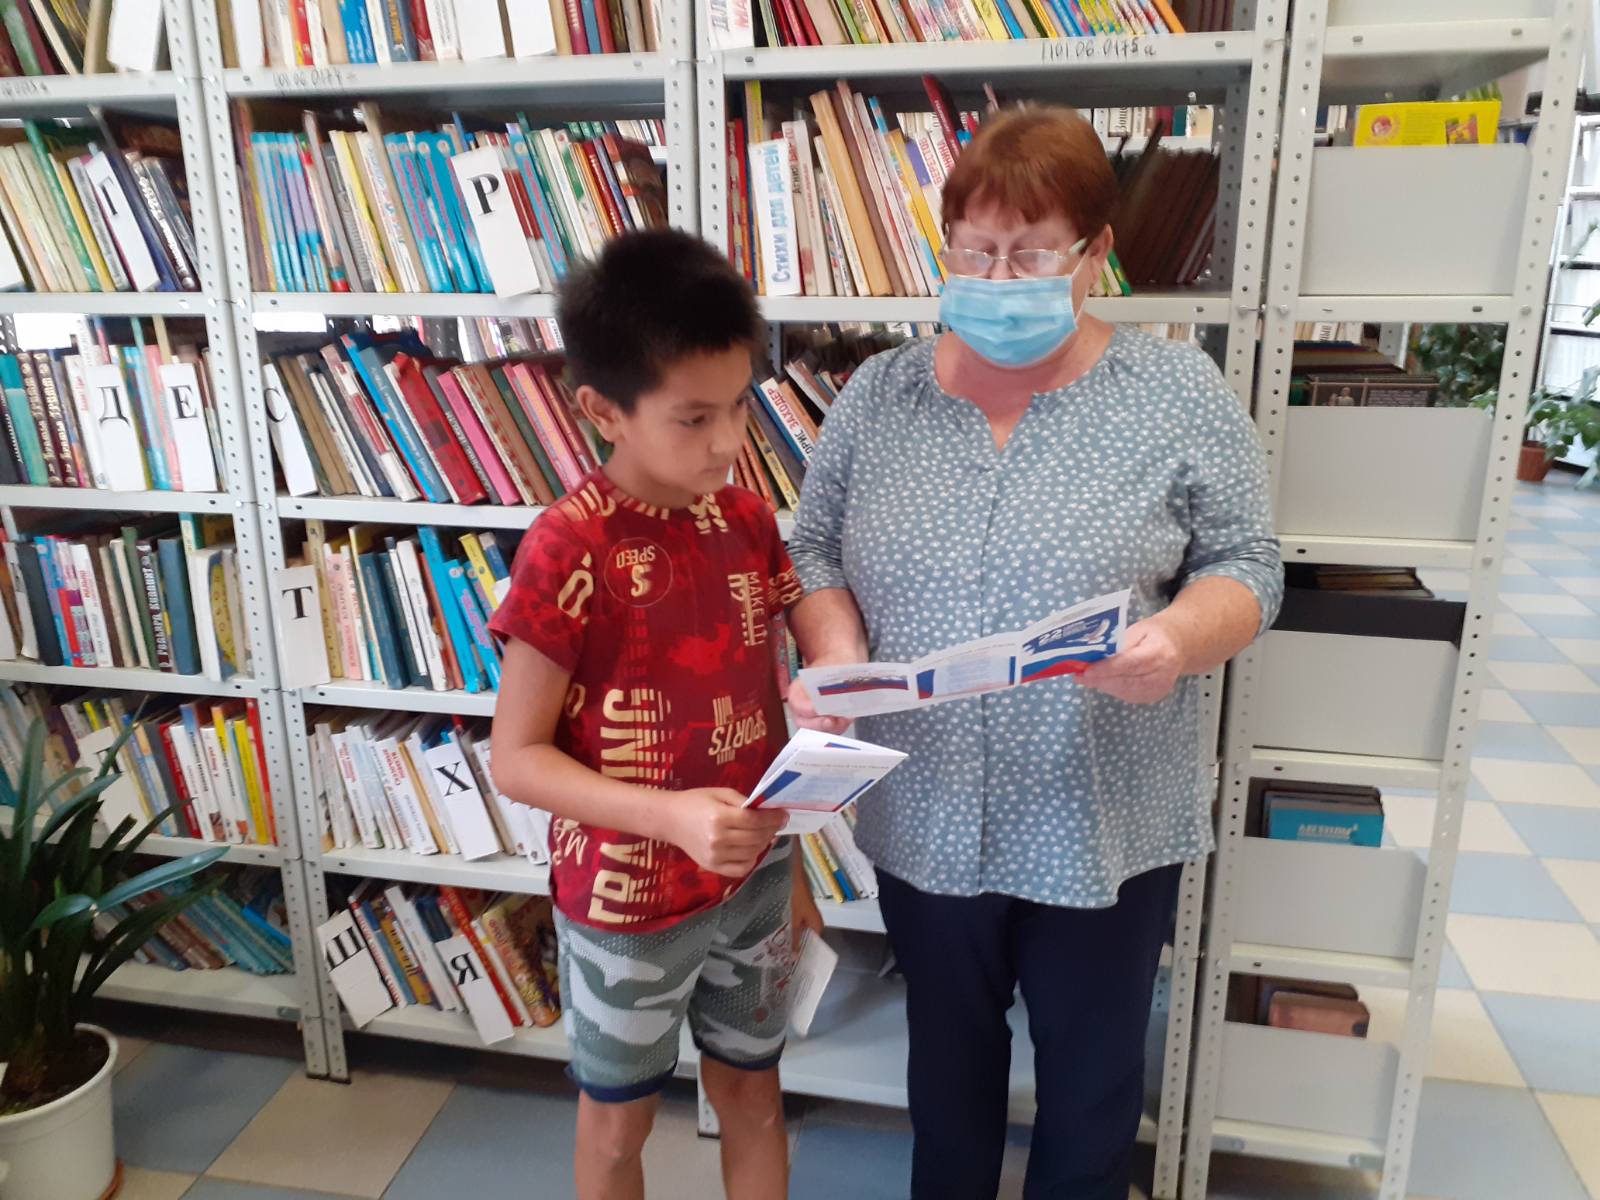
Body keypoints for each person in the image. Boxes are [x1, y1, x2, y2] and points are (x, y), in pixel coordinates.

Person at [787, 107, 1284, 1200]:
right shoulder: (882, 395)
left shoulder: (1174, 395)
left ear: (1096, 253)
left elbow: (1249, 564)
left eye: (1028, 254)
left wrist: (1175, 638)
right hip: (925, 807)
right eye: (975, 253)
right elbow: (813, 547)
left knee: (1091, 1083)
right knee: (946, 1065)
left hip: (1099, 811)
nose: (996, 278)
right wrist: (837, 655)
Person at [489, 228, 823, 1200]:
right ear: (603, 411)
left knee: (754, 1096)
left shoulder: (747, 519)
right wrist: (668, 816)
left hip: (755, 873)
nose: (728, 442)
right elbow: (516, 759)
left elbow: (769, 689)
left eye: (739, 406)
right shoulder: (567, 549)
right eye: (693, 418)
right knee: (615, 1128)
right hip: (626, 902)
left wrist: (796, 861)